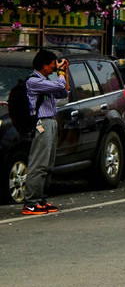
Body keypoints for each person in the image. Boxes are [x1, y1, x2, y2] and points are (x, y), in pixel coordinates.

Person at [22, 50, 70, 215]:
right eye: (52, 64)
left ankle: (41, 199)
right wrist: (61, 72)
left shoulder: (46, 81)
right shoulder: (34, 81)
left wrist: (65, 72)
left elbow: (64, 93)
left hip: (51, 122)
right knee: (39, 164)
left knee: (48, 164)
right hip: (41, 124)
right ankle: (31, 202)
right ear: (44, 65)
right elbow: (59, 85)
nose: (54, 67)